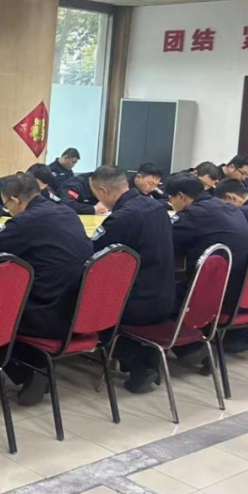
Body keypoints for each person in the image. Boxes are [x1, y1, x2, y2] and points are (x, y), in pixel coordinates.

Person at [0, 173, 93, 405]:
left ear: (15, 200)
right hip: (76, 307)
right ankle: (38, 366)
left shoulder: (25, 222)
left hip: (43, 310)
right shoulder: (67, 212)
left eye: (6, 205)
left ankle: (28, 370)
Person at [88, 166, 176, 392]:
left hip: (137, 302)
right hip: (166, 296)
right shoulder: (157, 208)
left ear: (103, 190)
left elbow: (92, 255)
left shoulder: (123, 218)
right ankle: (149, 359)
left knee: (85, 309)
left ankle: (139, 364)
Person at [167, 175, 248, 354]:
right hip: (242, 292)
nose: (171, 204)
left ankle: (188, 348)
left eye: (171, 199)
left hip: (212, 296)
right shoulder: (231, 208)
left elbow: (164, 239)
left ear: (181, 196)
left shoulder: (193, 214)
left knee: (156, 296)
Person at [26, 163, 95, 216]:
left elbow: (62, 204)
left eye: (41, 188)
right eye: (36, 187)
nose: (37, 192)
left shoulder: (47, 192)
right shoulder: (20, 187)